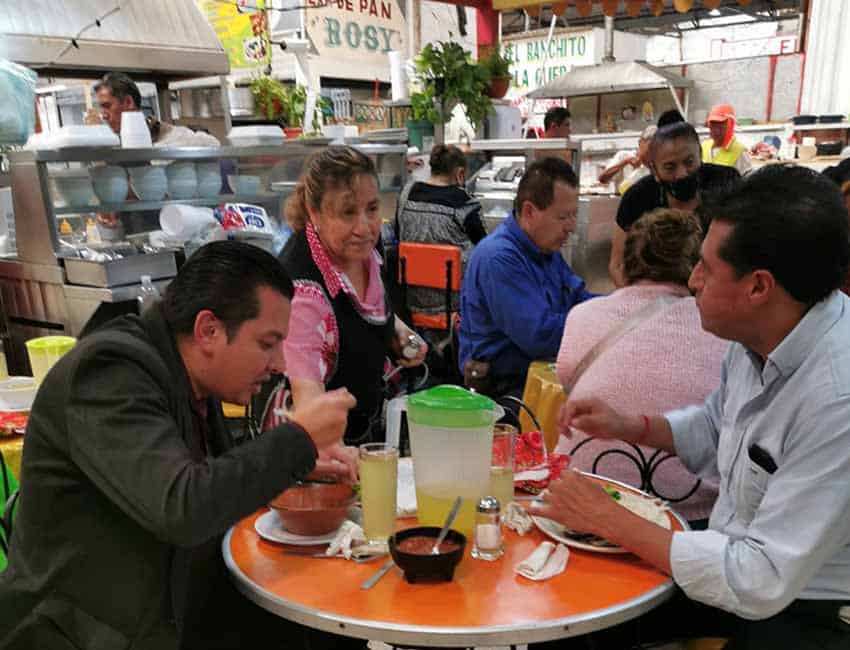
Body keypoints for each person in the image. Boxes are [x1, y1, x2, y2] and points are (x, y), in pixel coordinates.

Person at [538, 165, 850, 649]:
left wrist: (611, 520)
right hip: (733, 554)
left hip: (808, 604)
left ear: (758, 287)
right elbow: (713, 425)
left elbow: (761, 578)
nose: (693, 279)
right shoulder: (756, 336)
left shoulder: (836, 396)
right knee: (566, 605)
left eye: (706, 266)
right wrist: (629, 425)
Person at [0, 241, 360, 649]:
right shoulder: (109, 372)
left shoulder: (191, 376)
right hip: (84, 632)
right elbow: (184, 507)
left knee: (324, 629)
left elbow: (216, 482)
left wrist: (301, 462)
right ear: (209, 330)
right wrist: (298, 439)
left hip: (174, 606)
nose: (279, 364)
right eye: (267, 343)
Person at [555, 208, 727, 526]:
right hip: (692, 515)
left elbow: (565, 376)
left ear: (625, 262)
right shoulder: (725, 328)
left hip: (583, 500)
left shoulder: (583, 314)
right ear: (696, 267)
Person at [270, 146, 427, 445]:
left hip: (365, 430)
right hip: (318, 451)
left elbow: (362, 309)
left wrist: (396, 330)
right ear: (313, 211)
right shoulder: (303, 293)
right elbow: (310, 411)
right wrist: (346, 463)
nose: (364, 227)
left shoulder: (364, 251)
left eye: (372, 208)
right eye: (347, 212)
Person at [458, 157, 594, 397]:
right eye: (563, 217)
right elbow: (540, 336)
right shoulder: (499, 258)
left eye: (574, 216)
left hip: (541, 376)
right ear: (530, 211)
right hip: (505, 390)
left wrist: (618, 308)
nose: (571, 227)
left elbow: (578, 296)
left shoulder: (546, 249)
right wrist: (598, 322)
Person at [608, 121, 740, 287]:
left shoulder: (726, 183)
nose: (682, 174)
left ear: (700, 155)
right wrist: (639, 306)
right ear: (654, 170)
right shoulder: (637, 198)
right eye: (670, 167)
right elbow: (618, 265)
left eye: (689, 162)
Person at [395, 144, 486, 315]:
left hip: (412, 301)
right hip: (455, 306)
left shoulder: (406, 194)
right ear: (460, 173)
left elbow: (397, 233)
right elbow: (485, 250)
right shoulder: (465, 203)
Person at [85, 72, 220, 147]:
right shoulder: (119, 144)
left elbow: (213, 144)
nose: (103, 115)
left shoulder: (171, 136)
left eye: (107, 106)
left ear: (128, 102)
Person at [597, 124, 657, 195]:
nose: (651, 152)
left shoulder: (656, 163)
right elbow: (602, 179)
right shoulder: (624, 155)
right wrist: (625, 162)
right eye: (648, 147)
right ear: (640, 143)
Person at [701, 103, 753, 175]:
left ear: (730, 125)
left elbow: (746, 182)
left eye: (720, 126)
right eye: (713, 125)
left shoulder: (740, 152)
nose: (716, 131)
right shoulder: (704, 146)